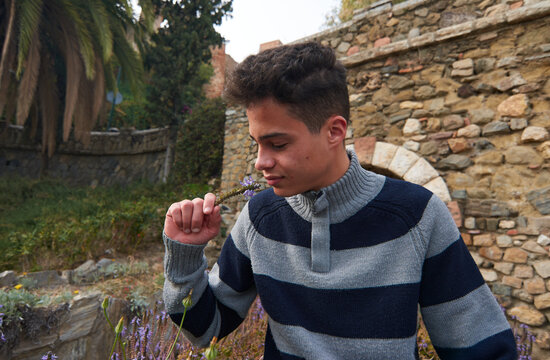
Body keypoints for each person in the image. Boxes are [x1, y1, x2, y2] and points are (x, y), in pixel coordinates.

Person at [162, 42, 517, 359]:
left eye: (278, 144)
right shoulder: (259, 217)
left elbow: (483, 348)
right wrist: (184, 256)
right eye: (257, 143)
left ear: (335, 131)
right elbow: (204, 330)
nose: (260, 161)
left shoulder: (417, 216)